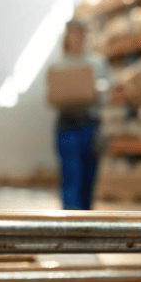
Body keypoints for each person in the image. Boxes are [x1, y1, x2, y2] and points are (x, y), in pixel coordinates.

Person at [51, 21, 107, 210]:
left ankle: (86, 221)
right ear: (67, 35)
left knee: (89, 176)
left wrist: (97, 92)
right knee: (71, 173)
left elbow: (107, 92)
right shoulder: (58, 65)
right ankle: (71, 221)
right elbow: (52, 95)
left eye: (82, 33)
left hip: (90, 125)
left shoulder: (97, 63)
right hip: (67, 125)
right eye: (74, 33)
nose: (78, 37)